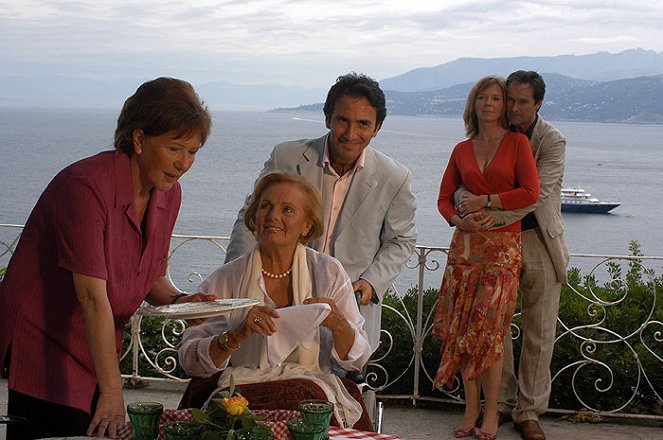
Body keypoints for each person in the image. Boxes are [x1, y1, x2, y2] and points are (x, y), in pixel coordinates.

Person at [0, 77, 216, 439]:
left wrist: (182, 302)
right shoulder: (84, 187)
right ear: (138, 139)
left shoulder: (169, 194)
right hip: (42, 341)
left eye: (193, 151)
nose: (183, 163)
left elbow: (149, 275)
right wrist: (115, 393)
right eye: (175, 148)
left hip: (94, 346)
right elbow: (91, 296)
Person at [224, 72, 417, 353]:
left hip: (349, 309)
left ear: (377, 128)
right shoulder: (287, 157)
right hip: (280, 303)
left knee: (338, 391)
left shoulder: (394, 177)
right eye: (343, 120)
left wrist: (373, 282)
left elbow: (401, 240)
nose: (351, 134)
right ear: (328, 118)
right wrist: (238, 279)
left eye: (363, 124)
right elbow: (252, 219)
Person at [178, 172, 373, 429]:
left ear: (307, 225)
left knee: (306, 397)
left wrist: (338, 324)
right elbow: (190, 359)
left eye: (287, 210)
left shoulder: (328, 272)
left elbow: (357, 360)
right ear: (254, 216)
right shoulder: (227, 278)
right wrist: (235, 336)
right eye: (265, 207)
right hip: (240, 393)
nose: (273, 217)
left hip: (310, 390)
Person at [432, 76, 540, 440]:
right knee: (464, 330)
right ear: (473, 103)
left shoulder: (518, 143)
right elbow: (444, 199)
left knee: (490, 333)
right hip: (465, 249)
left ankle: (492, 412)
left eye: (496, 98)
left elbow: (530, 191)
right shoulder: (462, 149)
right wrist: (458, 219)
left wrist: (487, 201)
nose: (489, 103)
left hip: (502, 249)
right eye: (483, 97)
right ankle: (470, 408)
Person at [492, 71, 568, 440]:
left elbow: (535, 193)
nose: (515, 108)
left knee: (540, 330)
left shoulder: (552, 140)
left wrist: (487, 211)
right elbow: (466, 176)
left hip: (539, 240)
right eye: (511, 100)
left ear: (538, 104)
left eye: (523, 102)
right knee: (496, 328)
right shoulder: (492, 132)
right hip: (497, 243)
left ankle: (530, 412)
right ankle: (501, 403)